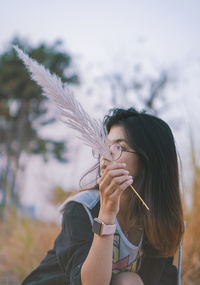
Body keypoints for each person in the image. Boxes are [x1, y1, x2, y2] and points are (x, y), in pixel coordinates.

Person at [21, 107, 184, 285]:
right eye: (105, 147)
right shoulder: (82, 209)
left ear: (149, 159)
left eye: (119, 147)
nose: (106, 155)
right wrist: (106, 215)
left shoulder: (157, 219)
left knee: (129, 281)